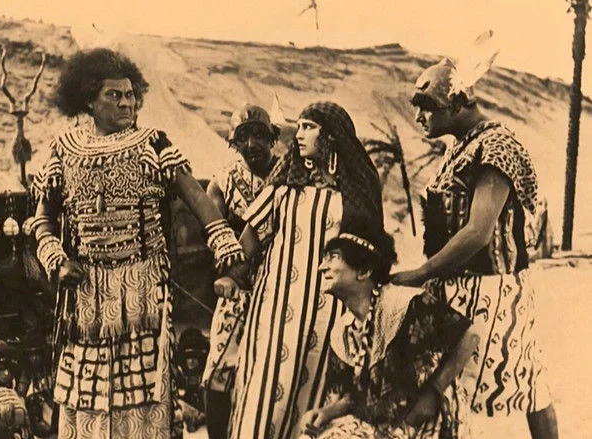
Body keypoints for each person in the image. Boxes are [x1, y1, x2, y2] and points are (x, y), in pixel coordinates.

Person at [29, 48, 246, 439]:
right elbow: (41, 219)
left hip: (142, 291)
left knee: (141, 390)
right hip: (87, 295)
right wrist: (56, 259)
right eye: (114, 95)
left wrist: (223, 241)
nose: (126, 103)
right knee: (86, 391)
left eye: (130, 95)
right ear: (89, 101)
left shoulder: (153, 144)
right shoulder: (63, 150)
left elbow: (197, 199)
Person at [391, 57, 558, 438]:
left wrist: (421, 273)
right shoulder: (461, 147)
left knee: (504, 382)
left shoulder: (496, 146)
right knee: (505, 383)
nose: (418, 117)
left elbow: (479, 233)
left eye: (427, 107)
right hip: (457, 286)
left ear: (457, 103)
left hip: (493, 292)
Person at [216, 101, 384, 439]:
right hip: (276, 307)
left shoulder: (358, 187)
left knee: (318, 399)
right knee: (264, 395)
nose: (299, 134)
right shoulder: (286, 179)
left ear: (331, 136)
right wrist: (230, 274)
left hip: (332, 312)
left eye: (309, 127)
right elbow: (251, 237)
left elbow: (370, 255)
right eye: (300, 126)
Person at [299, 228, 478, 438]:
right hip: (382, 424)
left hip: (427, 421)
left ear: (364, 271)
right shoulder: (343, 332)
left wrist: (434, 391)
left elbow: (470, 336)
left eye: (333, 257)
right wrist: (325, 412)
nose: (322, 267)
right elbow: (353, 395)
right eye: (324, 259)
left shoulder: (404, 304)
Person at [201, 103, 279, 439]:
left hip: (282, 286)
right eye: (243, 137)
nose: (252, 144)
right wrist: (225, 273)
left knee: (274, 372)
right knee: (219, 369)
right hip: (238, 286)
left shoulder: (288, 176)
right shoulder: (222, 181)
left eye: (259, 135)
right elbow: (215, 233)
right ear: (233, 142)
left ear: (272, 138)